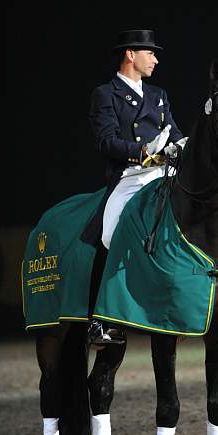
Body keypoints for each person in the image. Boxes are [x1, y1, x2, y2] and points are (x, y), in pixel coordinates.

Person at [83, 29, 185, 344]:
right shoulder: (106, 94)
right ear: (131, 54)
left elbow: (176, 132)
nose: (155, 60)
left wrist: (182, 147)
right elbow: (106, 140)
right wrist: (142, 151)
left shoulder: (158, 95)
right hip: (129, 176)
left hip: (161, 174)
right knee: (109, 232)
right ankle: (97, 320)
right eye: (150, 53)